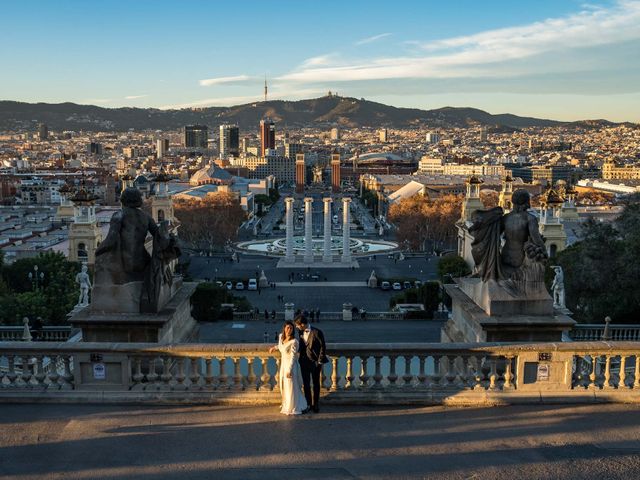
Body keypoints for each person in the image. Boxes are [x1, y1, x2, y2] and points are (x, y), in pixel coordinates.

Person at [268, 321, 308, 415]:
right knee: (284, 386)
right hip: (283, 365)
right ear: (284, 328)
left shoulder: (294, 342)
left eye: (291, 328)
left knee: (291, 386)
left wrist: (289, 370)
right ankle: (286, 403)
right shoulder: (281, 336)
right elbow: (282, 346)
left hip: (291, 366)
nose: (289, 330)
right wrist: (274, 348)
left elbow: (293, 357)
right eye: (287, 328)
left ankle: (292, 406)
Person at [295, 316, 328, 413]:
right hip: (304, 362)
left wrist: (320, 361)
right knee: (306, 384)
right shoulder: (300, 332)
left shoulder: (317, 332)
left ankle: (316, 404)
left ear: (302, 324)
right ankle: (308, 404)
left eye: (297, 325)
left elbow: (323, 346)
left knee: (316, 384)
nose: (296, 327)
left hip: (315, 362)